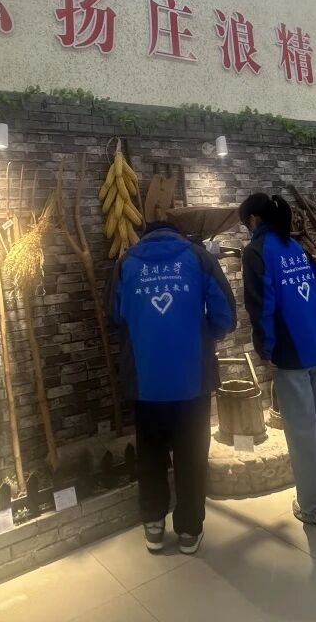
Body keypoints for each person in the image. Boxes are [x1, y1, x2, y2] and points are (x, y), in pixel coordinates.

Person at [107, 208, 236, 554]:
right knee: (191, 455)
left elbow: (115, 314)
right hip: (193, 379)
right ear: (177, 233)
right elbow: (225, 314)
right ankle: (189, 531)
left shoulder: (126, 263)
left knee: (150, 452)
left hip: (145, 380)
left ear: (145, 236)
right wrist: (206, 335)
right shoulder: (199, 257)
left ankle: (153, 525)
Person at [239, 193, 316, 532]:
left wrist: (265, 348)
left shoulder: (256, 251)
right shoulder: (296, 246)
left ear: (254, 220)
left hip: (291, 352)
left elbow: (262, 306)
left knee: (302, 433)